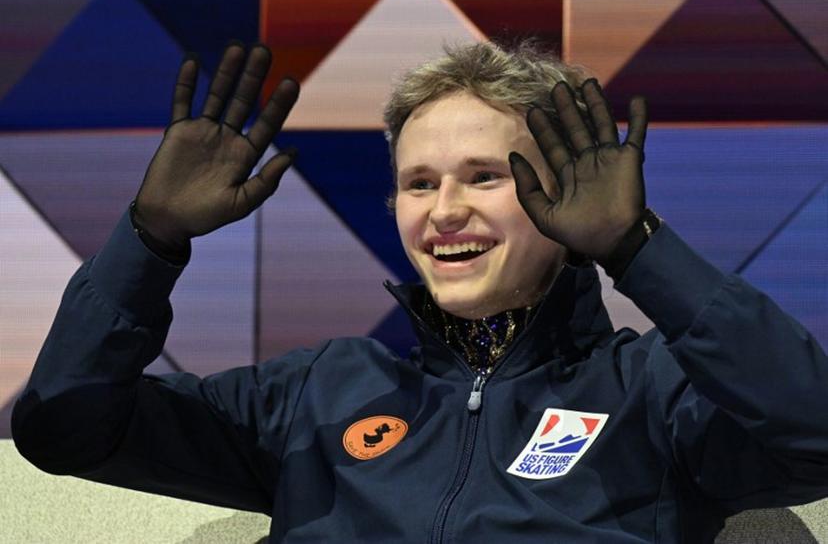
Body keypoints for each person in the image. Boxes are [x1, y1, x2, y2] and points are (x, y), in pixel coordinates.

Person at [11, 40, 828, 543]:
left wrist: (640, 251)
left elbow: (815, 432)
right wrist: (148, 242)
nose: (444, 211)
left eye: (483, 177)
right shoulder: (316, 394)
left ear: (568, 194)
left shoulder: (651, 391)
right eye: (418, 183)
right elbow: (66, 431)